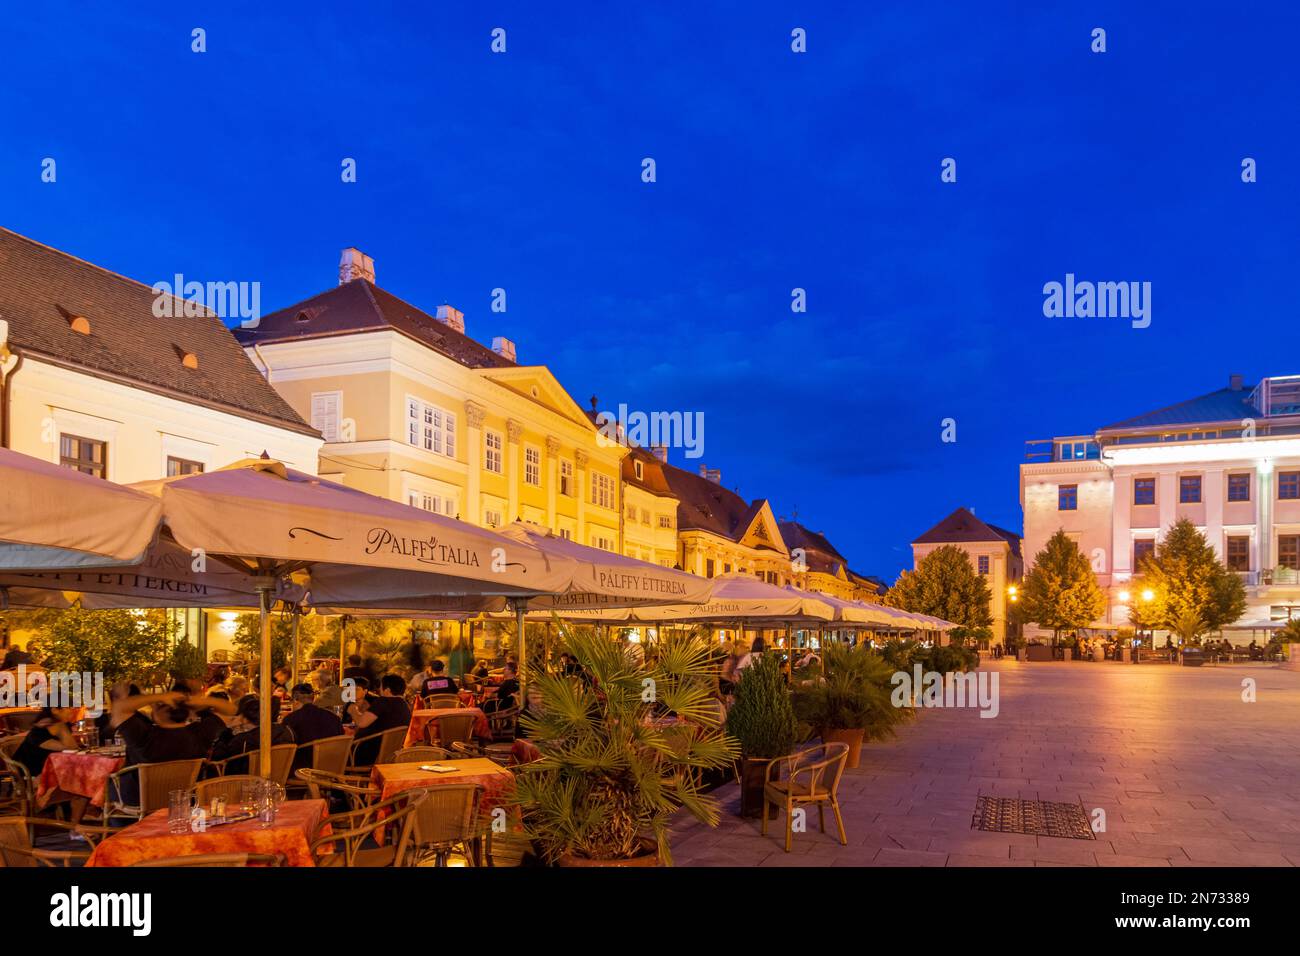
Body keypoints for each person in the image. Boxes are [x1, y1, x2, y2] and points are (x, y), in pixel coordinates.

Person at [210, 694, 294, 773]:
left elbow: (217, 759)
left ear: (244, 718)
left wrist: (227, 731)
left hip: (244, 782)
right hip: (279, 777)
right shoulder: (287, 731)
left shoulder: (242, 741)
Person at [345, 675, 411, 766]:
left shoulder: (384, 701)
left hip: (365, 754)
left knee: (335, 748)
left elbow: (361, 723)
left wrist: (353, 710)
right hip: (389, 754)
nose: (379, 691)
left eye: (380, 688)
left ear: (387, 690)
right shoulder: (405, 705)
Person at [283, 684, 344, 770]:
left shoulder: (291, 719)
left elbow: (285, 746)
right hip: (333, 764)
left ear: (295, 700)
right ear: (313, 699)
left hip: (304, 769)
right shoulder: (334, 718)